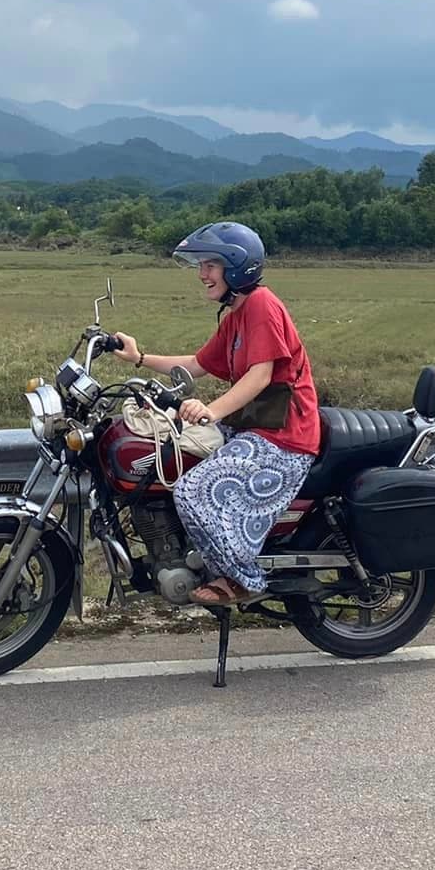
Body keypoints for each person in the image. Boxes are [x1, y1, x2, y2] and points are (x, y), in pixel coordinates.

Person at [109, 221, 320, 606]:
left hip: (285, 437)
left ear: (237, 267)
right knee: (180, 467)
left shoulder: (260, 305)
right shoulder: (237, 313)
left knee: (194, 491)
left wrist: (209, 410)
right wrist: (137, 358)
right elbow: (196, 364)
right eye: (201, 265)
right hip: (254, 428)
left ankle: (245, 579)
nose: (202, 274)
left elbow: (260, 375)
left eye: (211, 264)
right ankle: (199, 563)